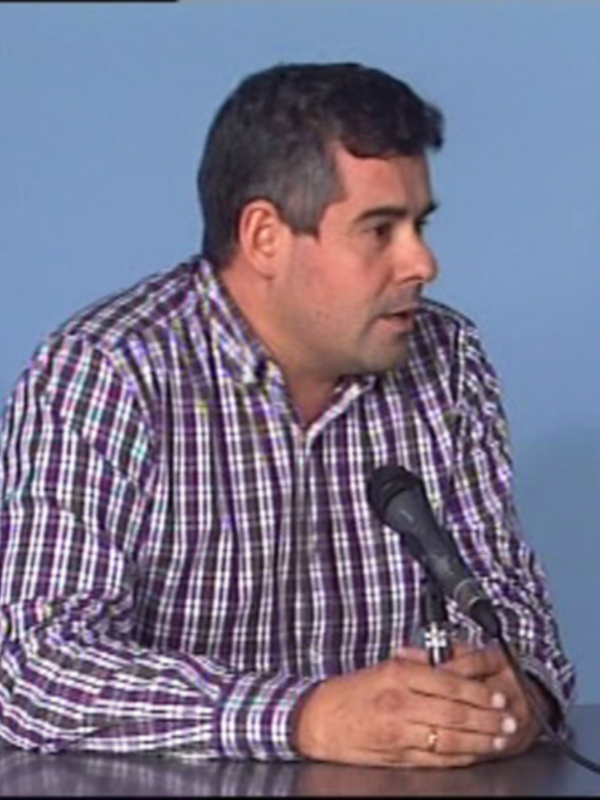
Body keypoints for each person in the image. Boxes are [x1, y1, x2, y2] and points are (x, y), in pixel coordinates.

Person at [0, 61, 574, 768]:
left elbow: (512, 610)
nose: (423, 263)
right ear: (265, 237)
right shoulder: (108, 372)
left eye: (419, 225)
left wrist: (517, 689)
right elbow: (32, 667)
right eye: (380, 229)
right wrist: (304, 716)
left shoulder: (447, 359)